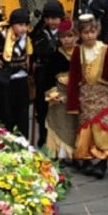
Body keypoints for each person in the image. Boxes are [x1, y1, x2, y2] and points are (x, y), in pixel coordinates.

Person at [66, 14, 108, 179]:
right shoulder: (78, 52)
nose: (89, 35)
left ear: (97, 31)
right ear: (80, 34)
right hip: (85, 98)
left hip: (102, 98)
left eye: (92, 32)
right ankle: (88, 160)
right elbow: (74, 78)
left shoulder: (107, 51)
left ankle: (103, 162)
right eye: (85, 33)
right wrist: (73, 104)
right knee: (86, 131)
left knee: (102, 130)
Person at [0, 8, 32, 138]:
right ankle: (3, 144)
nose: (23, 29)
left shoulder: (28, 38)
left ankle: (22, 147)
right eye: (20, 25)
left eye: (25, 25)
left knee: (22, 115)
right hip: (4, 81)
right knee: (4, 114)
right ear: (12, 25)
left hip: (21, 80)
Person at [43, 19, 80, 168]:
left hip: (77, 94)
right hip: (59, 95)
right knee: (59, 123)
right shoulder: (55, 55)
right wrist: (53, 93)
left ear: (76, 36)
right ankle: (61, 155)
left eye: (70, 36)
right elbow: (47, 76)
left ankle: (77, 154)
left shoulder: (81, 53)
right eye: (63, 37)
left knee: (75, 125)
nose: (67, 40)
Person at [30, 0, 65, 147]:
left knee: (59, 112)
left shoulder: (66, 34)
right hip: (42, 76)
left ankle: (59, 146)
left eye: (55, 18)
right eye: (48, 18)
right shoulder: (38, 34)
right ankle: (43, 141)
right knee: (42, 110)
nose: (51, 22)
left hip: (59, 77)